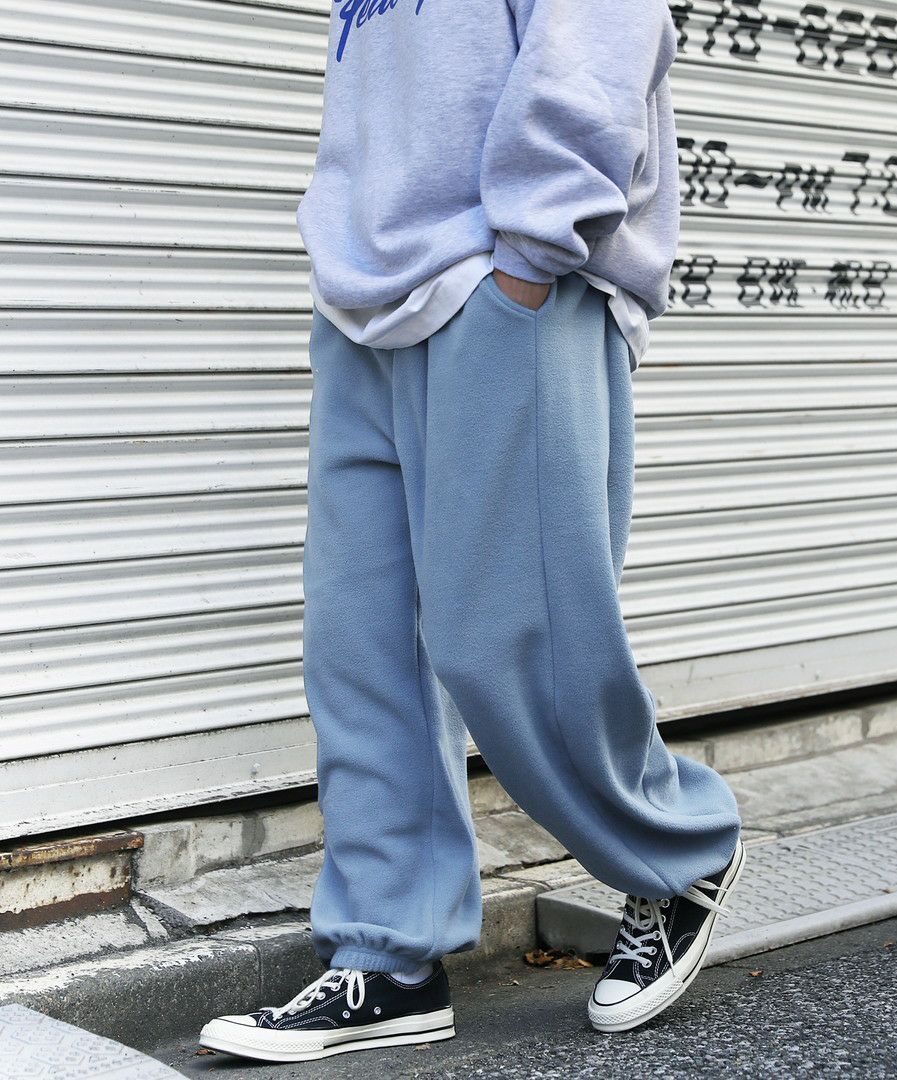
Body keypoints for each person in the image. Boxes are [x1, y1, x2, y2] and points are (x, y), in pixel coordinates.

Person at [200, 0, 744, 1062]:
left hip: (510, 281)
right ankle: (391, 952)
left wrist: (528, 260)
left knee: (508, 635)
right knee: (363, 648)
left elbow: (598, 40)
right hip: (366, 300)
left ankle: (678, 852)